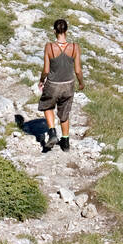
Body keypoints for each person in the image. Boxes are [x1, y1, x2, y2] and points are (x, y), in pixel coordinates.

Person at [38, 19, 84, 152]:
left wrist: (42, 80)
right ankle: (65, 142)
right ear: (67, 31)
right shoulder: (75, 47)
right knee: (64, 113)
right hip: (68, 85)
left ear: (54, 31)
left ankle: (52, 133)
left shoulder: (49, 47)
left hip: (53, 84)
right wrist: (81, 83)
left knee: (47, 105)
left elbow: (46, 70)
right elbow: (78, 70)